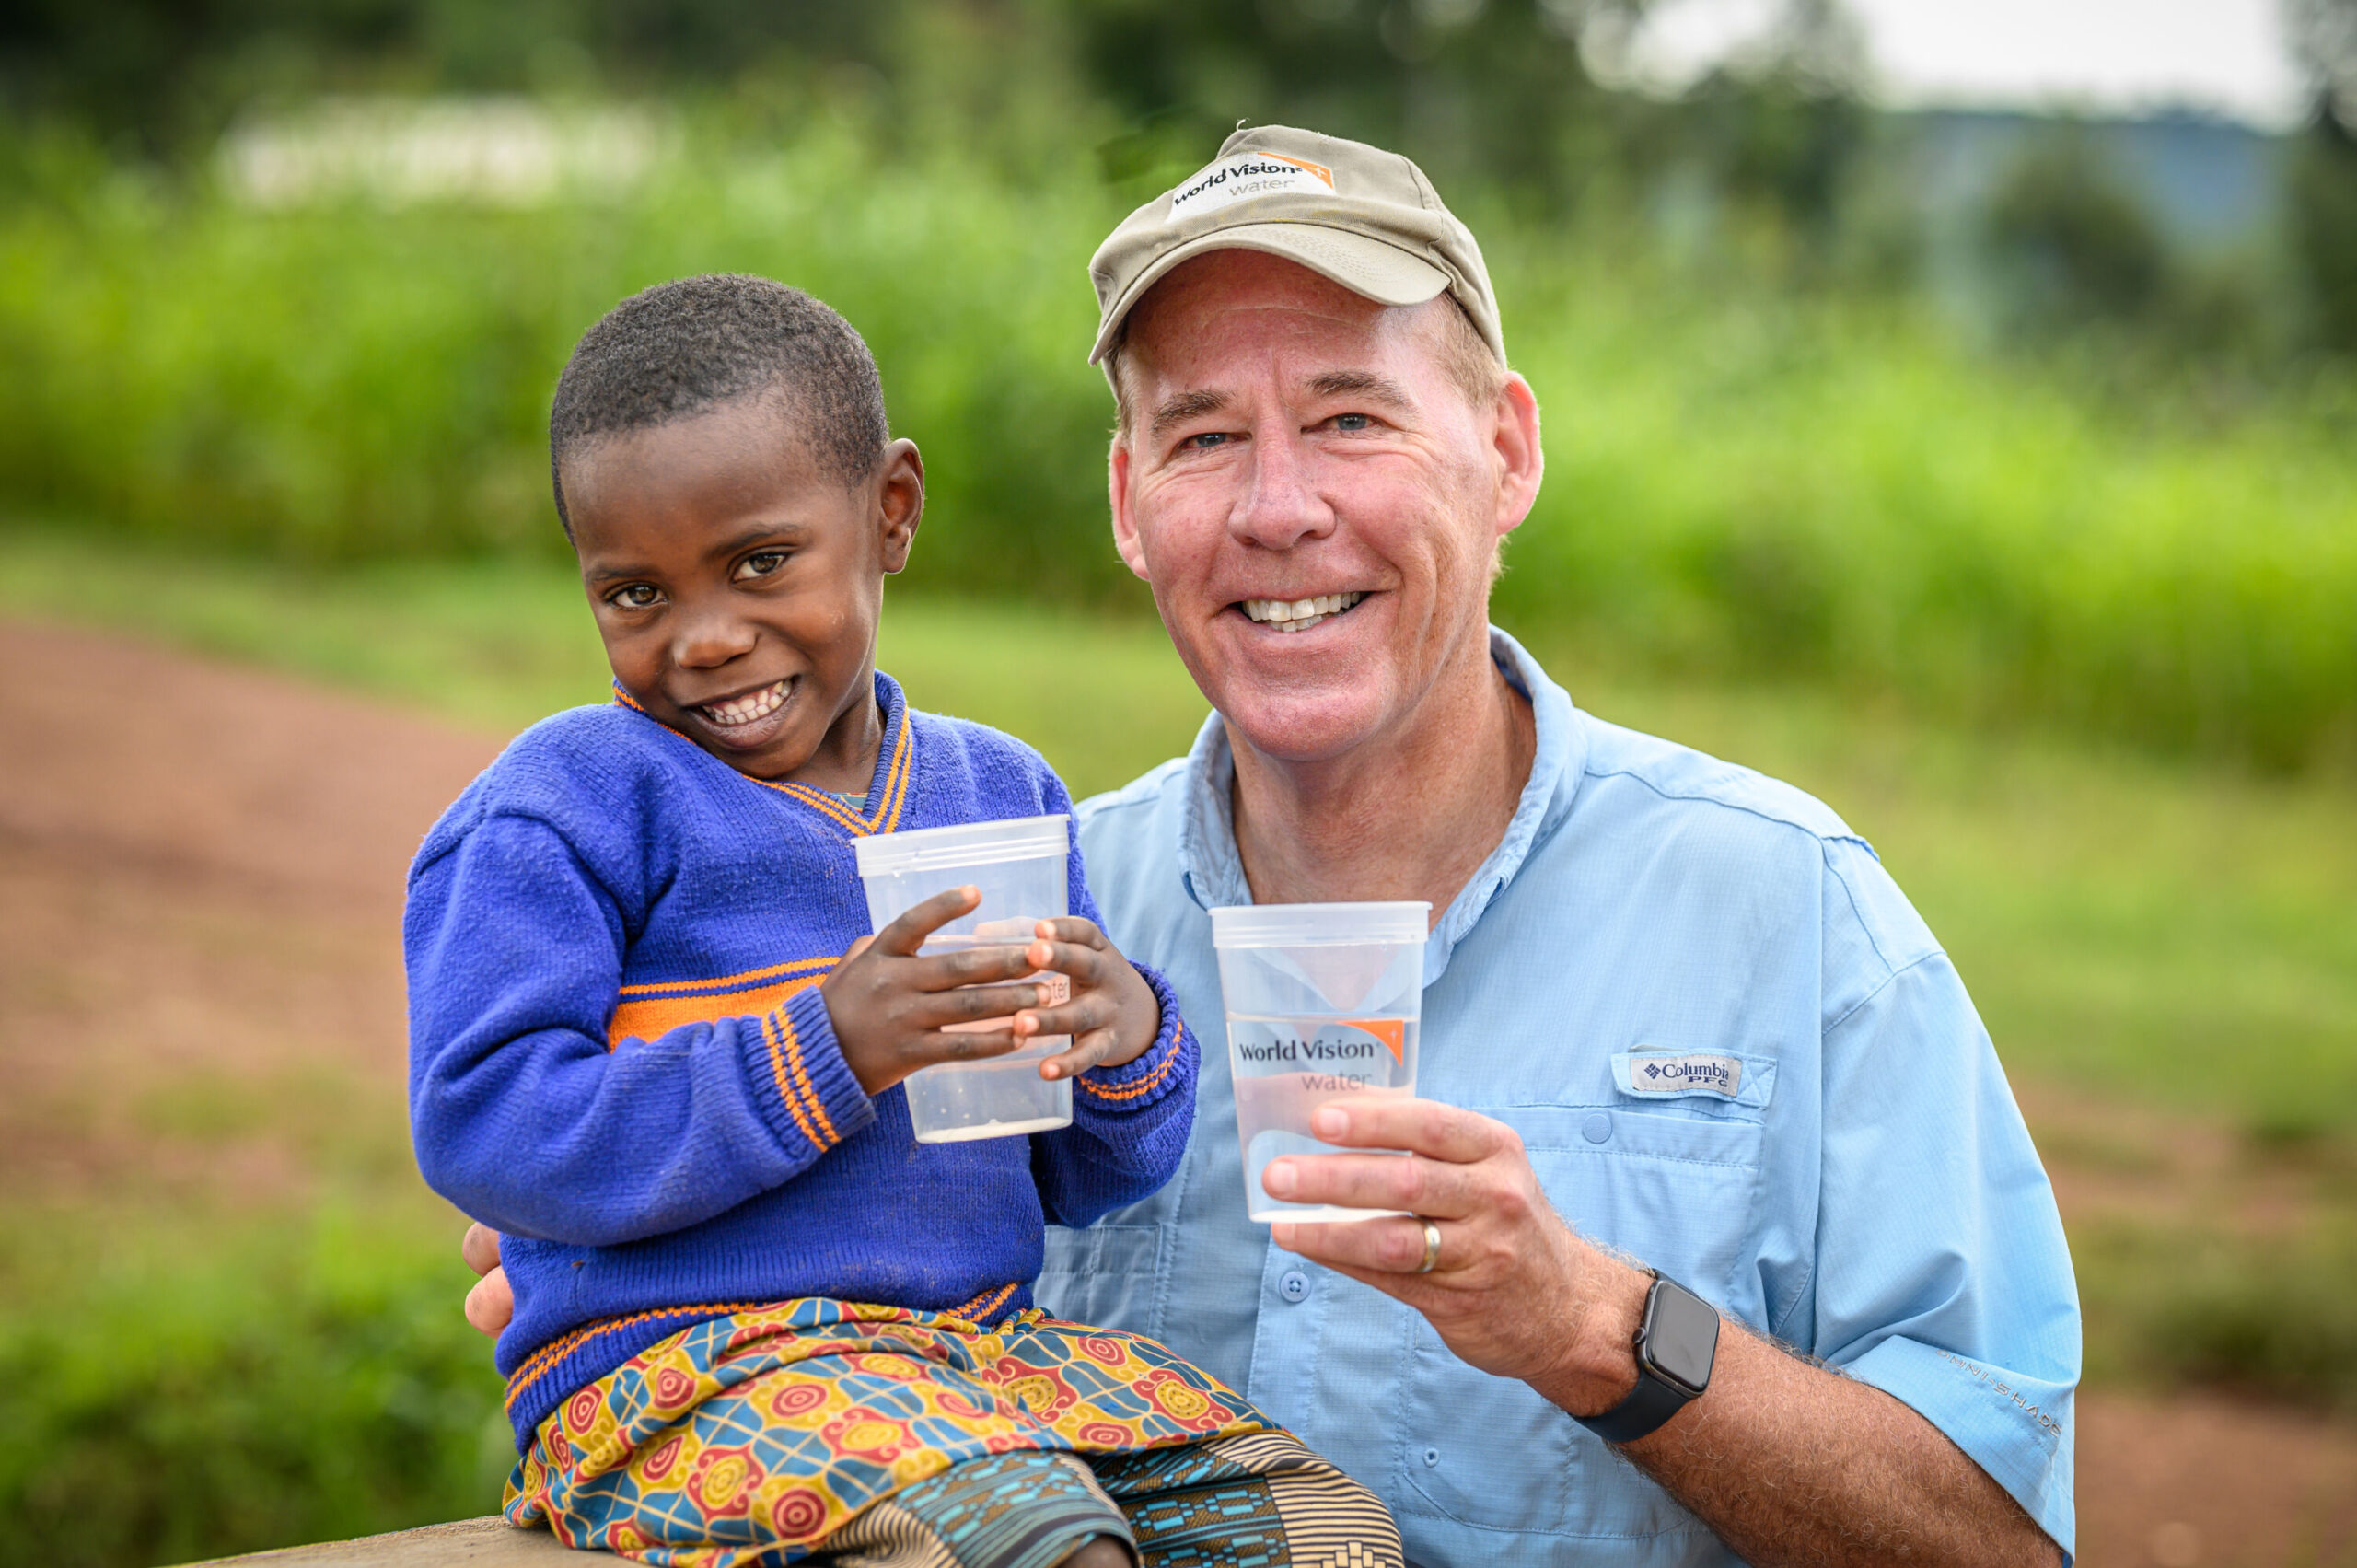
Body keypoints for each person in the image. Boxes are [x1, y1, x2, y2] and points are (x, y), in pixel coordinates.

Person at [468, 129, 2080, 1566]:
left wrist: (1594, 1330)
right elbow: (602, 1155)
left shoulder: (1785, 912)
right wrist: (666, 1228)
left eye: (1351, 414)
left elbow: (1996, 1547)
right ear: (1127, 499)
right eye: (1203, 437)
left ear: (1506, 452)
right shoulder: (1011, 897)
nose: (1279, 508)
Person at [410, 273, 1401, 1568]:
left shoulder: (998, 791)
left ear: (890, 512)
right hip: (687, 1378)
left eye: (761, 564)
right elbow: (489, 1127)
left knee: (1315, 1531)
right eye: (634, 595)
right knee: (1049, 1548)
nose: (702, 639)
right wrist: (829, 1047)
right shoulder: (571, 805)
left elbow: (1077, 1175)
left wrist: (1120, 1038)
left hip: (980, 1358)